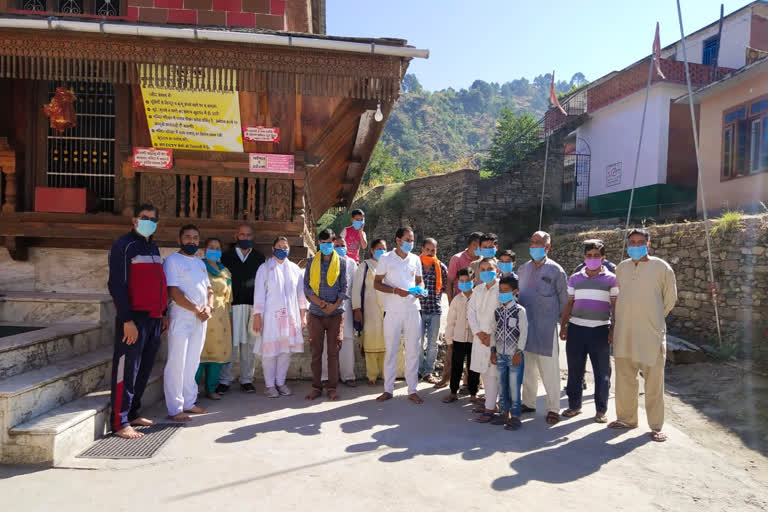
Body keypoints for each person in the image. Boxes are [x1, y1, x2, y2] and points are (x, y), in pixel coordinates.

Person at [609, 228, 677, 442]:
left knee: (654, 381)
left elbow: (670, 300)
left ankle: (656, 426)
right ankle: (627, 418)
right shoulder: (621, 268)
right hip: (624, 332)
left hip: (651, 333)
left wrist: (654, 318)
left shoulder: (661, 268)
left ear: (648, 244)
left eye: (640, 241)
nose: (635, 245)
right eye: (632, 242)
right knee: (624, 377)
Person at [107, 203, 168, 439]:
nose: (148, 222)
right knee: (127, 369)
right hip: (133, 318)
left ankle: (133, 412)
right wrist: (127, 320)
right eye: (144, 218)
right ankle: (120, 421)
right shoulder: (123, 246)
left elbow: (158, 284)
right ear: (134, 220)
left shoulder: (153, 247)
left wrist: (162, 313)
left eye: (153, 219)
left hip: (153, 318)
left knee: (143, 368)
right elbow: (116, 285)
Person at [559, 240, 618, 423]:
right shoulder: (575, 278)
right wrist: (563, 326)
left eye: (596, 256)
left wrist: (613, 329)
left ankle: (601, 410)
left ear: (603, 258)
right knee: (575, 370)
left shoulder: (611, 279)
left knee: (602, 372)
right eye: (589, 255)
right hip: (576, 329)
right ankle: (574, 405)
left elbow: (615, 306)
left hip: (600, 329)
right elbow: (569, 303)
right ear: (584, 257)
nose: (592, 259)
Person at [163, 224, 213, 422]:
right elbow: (174, 292)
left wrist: (208, 308)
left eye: (195, 237)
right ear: (179, 240)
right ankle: (175, 408)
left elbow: (209, 289)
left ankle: (189, 402)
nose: (191, 241)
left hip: (200, 318)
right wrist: (197, 310)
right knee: (177, 362)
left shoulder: (200, 263)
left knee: (193, 361)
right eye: (187, 237)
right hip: (181, 317)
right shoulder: (172, 261)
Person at [517, 231, 568, 425]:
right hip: (526, 329)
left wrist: (564, 327)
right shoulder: (523, 269)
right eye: (532, 242)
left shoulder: (556, 271)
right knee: (528, 369)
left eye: (538, 243)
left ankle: (553, 408)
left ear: (547, 247)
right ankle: (528, 403)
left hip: (546, 329)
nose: (534, 246)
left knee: (550, 371)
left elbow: (564, 303)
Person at [374, 226, 424, 404]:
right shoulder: (386, 258)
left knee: (412, 351)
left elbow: (419, 280)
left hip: (412, 309)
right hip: (393, 311)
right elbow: (377, 283)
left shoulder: (415, 259)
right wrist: (395, 290)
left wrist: (420, 289)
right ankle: (388, 389)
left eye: (412, 240)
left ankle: (412, 389)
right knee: (392, 351)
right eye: (407, 240)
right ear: (398, 240)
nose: (411, 243)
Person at [252, 237, 308, 398]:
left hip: (291, 316)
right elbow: (259, 294)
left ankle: (281, 382)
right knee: (270, 352)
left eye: (285, 247)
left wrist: (303, 316)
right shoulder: (264, 268)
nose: (282, 249)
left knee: (286, 352)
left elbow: (300, 294)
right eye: (279, 246)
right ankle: (269, 385)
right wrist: (257, 316)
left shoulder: (295, 269)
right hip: (270, 317)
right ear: (272, 248)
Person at [352, 240, 407, 385]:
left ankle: (386, 374)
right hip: (370, 310)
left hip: (388, 309)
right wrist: (357, 309)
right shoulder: (365, 266)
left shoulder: (389, 265)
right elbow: (356, 289)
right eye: (378, 248)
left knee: (387, 341)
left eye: (384, 248)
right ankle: (372, 376)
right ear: (371, 250)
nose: (381, 251)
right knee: (370, 340)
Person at [218, 224, 265, 394]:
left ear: (253, 237)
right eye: (242, 235)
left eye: (248, 235)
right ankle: (224, 380)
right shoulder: (226, 257)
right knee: (230, 345)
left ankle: (247, 379)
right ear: (236, 236)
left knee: (249, 345)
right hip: (232, 306)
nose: (245, 238)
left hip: (253, 307)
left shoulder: (259, 258)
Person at [303, 229, 348, 401]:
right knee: (316, 352)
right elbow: (306, 288)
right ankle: (316, 387)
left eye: (329, 243)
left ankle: (332, 387)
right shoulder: (311, 262)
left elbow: (344, 288)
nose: (327, 246)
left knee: (333, 352)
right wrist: (321, 304)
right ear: (318, 244)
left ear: (333, 241)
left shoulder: (342, 263)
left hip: (335, 313)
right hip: (315, 313)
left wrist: (333, 306)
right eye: (323, 243)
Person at [441, 231, 483, 389]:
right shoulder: (457, 259)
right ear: (470, 245)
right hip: (459, 305)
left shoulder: (483, 262)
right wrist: (452, 303)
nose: (478, 249)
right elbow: (450, 282)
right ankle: (446, 378)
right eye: (476, 246)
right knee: (454, 348)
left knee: (473, 348)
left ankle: (471, 383)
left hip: (477, 306)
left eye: (481, 246)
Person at [196, 238, 232, 401]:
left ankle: (211, 389)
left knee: (217, 354)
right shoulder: (198, 266)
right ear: (205, 249)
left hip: (221, 318)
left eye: (217, 248)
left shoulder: (226, 272)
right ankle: (193, 390)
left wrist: (229, 319)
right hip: (203, 314)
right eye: (211, 247)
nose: (214, 250)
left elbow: (228, 298)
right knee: (199, 354)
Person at [491, 275, 528, 430]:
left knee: (514, 386)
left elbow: (524, 333)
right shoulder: (498, 311)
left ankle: (516, 416)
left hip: (514, 356)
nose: (502, 292)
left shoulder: (520, 311)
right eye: (501, 290)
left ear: (515, 292)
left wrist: (519, 352)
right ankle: (503, 413)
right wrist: (493, 350)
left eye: (506, 290)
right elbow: (493, 331)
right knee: (502, 385)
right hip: (499, 355)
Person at [321, 237, 357, 387]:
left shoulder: (351, 263)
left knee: (347, 341)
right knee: (327, 343)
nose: (340, 248)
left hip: (346, 308)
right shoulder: (323, 261)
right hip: (327, 308)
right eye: (337, 246)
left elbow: (355, 288)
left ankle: (348, 376)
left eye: (343, 246)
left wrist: (357, 309)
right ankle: (325, 376)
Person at [468, 258, 501, 423]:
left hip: (495, 339)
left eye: (490, 268)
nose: (486, 271)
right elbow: (471, 311)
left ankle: (491, 409)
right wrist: (478, 333)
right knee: (485, 372)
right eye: (483, 269)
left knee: (494, 374)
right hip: (479, 337)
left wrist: (492, 336)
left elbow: (503, 315)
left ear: (497, 270)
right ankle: (490, 403)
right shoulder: (478, 290)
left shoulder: (502, 289)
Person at [441, 267, 479, 404]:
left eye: (467, 281)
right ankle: (453, 392)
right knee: (456, 366)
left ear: (473, 281)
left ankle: (473, 393)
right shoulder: (457, 300)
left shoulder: (478, 298)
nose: (464, 283)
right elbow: (450, 321)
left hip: (475, 339)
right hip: (458, 339)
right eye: (461, 281)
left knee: (473, 367)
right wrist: (449, 340)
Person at [418, 238, 448, 383]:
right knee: (417, 342)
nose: (430, 253)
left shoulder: (440, 267)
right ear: (422, 249)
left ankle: (428, 372)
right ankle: (418, 370)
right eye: (428, 250)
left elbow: (447, 285)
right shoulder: (415, 264)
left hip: (435, 309)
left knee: (432, 343)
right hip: (418, 310)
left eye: (433, 250)